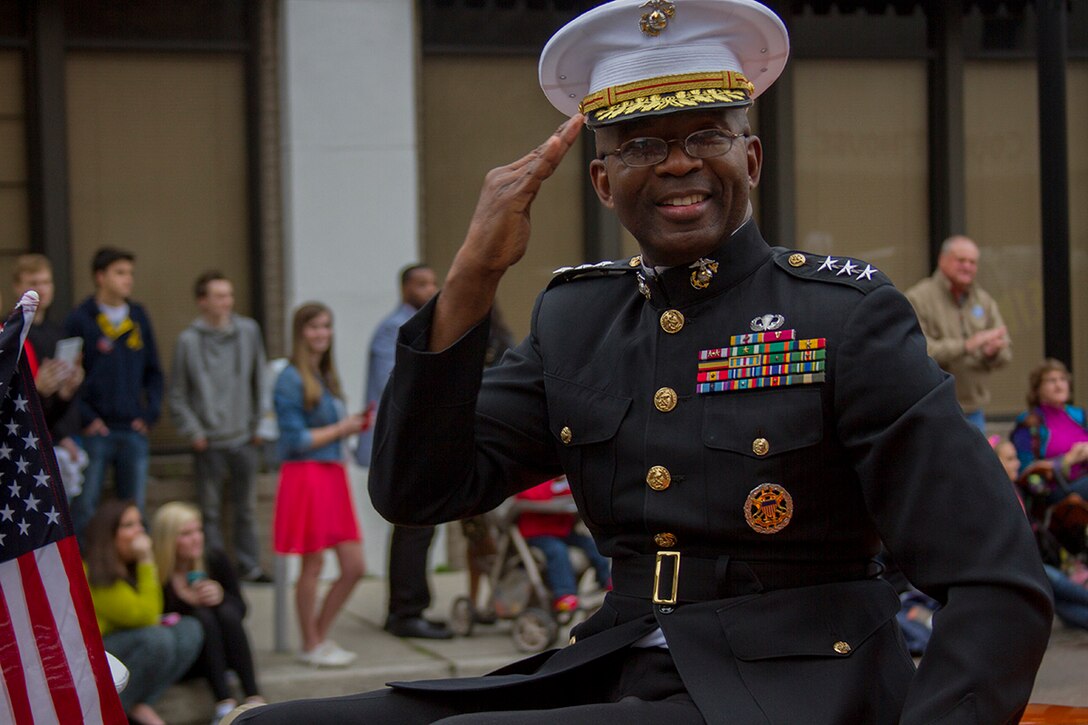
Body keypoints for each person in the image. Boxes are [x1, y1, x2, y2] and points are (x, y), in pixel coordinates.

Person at [237, 1, 1051, 723]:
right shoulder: (577, 316)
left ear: (752, 160)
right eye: (641, 144)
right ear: (602, 179)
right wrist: (472, 278)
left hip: (800, 684)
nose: (677, 162)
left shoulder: (845, 316)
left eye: (706, 134)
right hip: (618, 659)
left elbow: (996, 580)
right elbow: (417, 490)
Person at [354, 264, 451, 639]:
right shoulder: (394, 327)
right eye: (422, 283)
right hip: (408, 440)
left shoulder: (423, 322)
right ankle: (406, 612)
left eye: (433, 281)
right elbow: (390, 387)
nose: (431, 288)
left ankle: (410, 608)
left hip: (420, 437)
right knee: (415, 526)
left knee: (421, 528)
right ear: (405, 288)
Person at [273, 302, 366, 666]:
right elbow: (293, 439)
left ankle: (318, 636)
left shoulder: (324, 375)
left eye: (326, 326)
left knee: (354, 565)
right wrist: (344, 428)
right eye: (313, 327)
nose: (321, 334)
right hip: (307, 474)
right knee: (312, 566)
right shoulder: (290, 377)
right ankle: (311, 643)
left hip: (331, 473)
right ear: (300, 332)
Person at [169, 270, 272, 583]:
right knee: (209, 513)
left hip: (245, 437)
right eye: (219, 296)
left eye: (229, 295)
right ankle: (215, 571)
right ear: (203, 301)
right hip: (208, 442)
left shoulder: (248, 331)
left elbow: (261, 380)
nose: (227, 301)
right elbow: (177, 393)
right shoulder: (188, 340)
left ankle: (249, 566)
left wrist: (260, 425)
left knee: (246, 509)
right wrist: (194, 432)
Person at [65, 246, 164, 536]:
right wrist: (86, 418)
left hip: (133, 429)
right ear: (100, 276)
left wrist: (150, 413)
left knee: (134, 507)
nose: (128, 280)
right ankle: (84, 573)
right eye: (120, 273)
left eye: (130, 274)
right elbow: (69, 376)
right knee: (85, 505)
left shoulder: (138, 317)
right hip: (96, 431)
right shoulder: (81, 319)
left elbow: (154, 372)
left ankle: (132, 572)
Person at [84, 500, 203, 725]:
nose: (139, 530)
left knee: (190, 629)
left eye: (140, 523)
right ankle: (114, 711)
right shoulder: (93, 572)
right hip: (96, 652)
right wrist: (147, 560)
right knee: (157, 639)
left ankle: (138, 704)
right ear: (108, 535)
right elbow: (146, 615)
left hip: (127, 644)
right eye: (129, 525)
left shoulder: (129, 566)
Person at [152, 502, 265, 723]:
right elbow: (155, 619)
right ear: (167, 539)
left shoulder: (214, 559)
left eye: (199, 530)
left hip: (222, 654)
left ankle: (254, 697)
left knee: (226, 612)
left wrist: (222, 596)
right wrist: (187, 603)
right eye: (186, 534)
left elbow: (241, 610)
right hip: (186, 657)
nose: (197, 538)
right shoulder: (154, 571)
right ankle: (224, 703)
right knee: (201, 617)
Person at [905, 235, 1011, 431]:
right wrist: (966, 346)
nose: (967, 267)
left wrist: (992, 352)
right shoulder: (918, 298)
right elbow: (916, 349)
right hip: (933, 409)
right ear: (942, 260)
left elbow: (1005, 351)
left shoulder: (983, 301)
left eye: (973, 262)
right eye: (961, 260)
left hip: (974, 411)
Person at [992, 438, 1088, 632]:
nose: (1017, 463)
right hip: (1018, 566)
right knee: (1058, 586)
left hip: (1032, 562)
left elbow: (1043, 484)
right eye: (1010, 459)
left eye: (1016, 458)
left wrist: (1067, 459)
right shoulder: (993, 496)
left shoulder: (1019, 487)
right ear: (994, 463)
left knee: (1061, 605)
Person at [11, 253, 87, 497]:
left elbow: (51, 407)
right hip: (22, 446)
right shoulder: (9, 333)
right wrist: (37, 390)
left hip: (58, 433)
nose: (41, 290)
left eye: (46, 282)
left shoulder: (58, 332)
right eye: (34, 283)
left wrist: (66, 393)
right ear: (18, 287)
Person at [517, 476, 610, 613]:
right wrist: (555, 488)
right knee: (557, 551)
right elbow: (532, 497)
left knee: (592, 543)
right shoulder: (531, 480)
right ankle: (564, 593)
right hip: (538, 532)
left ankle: (607, 579)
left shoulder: (566, 480)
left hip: (563, 529)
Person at [1010, 358, 1088, 503]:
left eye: (1063, 379)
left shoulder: (1082, 416)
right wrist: (1068, 460)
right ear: (1037, 389)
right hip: (1052, 491)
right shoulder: (1029, 422)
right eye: (1051, 381)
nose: (1059, 385)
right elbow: (1024, 472)